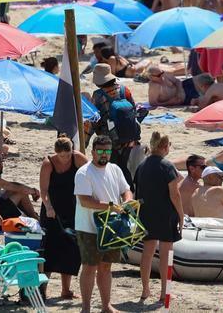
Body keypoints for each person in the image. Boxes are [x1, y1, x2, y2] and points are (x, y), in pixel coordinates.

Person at [75, 135, 133, 313]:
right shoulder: (84, 172)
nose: (104, 154)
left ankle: (106, 305)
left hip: (112, 226)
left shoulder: (115, 169)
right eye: (100, 151)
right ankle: (86, 308)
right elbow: (85, 201)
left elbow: (126, 190)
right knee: (89, 267)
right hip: (89, 227)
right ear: (93, 152)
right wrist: (111, 206)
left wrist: (127, 201)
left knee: (106, 267)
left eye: (107, 151)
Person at [135, 132, 182, 304]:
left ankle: (145, 290)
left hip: (146, 213)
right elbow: (175, 195)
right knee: (166, 255)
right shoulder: (166, 166)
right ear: (164, 146)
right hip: (165, 214)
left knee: (147, 253)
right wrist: (181, 215)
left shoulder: (142, 165)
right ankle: (164, 292)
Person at [39, 135, 87, 299]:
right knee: (49, 250)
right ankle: (42, 289)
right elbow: (43, 191)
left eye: (67, 155)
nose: (65, 159)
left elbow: (91, 173)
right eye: (61, 156)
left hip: (72, 208)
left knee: (70, 248)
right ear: (56, 153)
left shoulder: (77, 158)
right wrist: (49, 207)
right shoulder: (48, 163)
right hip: (52, 210)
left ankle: (66, 290)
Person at [0, 150, 40, 220]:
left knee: (12, 190)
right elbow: (19, 188)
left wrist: (32, 190)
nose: (2, 165)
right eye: (1, 162)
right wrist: (34, 191)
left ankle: (32, 215)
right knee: (21, 193)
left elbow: (14, 185)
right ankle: (34, 217)